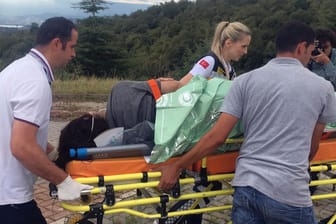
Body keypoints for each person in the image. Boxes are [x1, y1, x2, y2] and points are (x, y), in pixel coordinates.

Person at [155, 22, 336, 223]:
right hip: (289, 193)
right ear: (302, 47)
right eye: (310, 51)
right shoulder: (323, 88)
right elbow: (311, 147)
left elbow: (216, 137)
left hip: (247, 188)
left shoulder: (244, 81)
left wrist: (177, 166)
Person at [0, 17, 93, 224]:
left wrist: (52, 152)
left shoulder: (17, 69)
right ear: (57, 43)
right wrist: (64, 182)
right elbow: (22, 147)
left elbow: (14, 128)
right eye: (71, 47)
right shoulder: (36, 82)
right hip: (9, 198)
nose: (73, 54)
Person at [178, 21, 251, 87]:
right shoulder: (210, 62)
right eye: (243, 46)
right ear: (228, 43)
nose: (245, 52)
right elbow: (181, 86)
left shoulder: (231, 72)